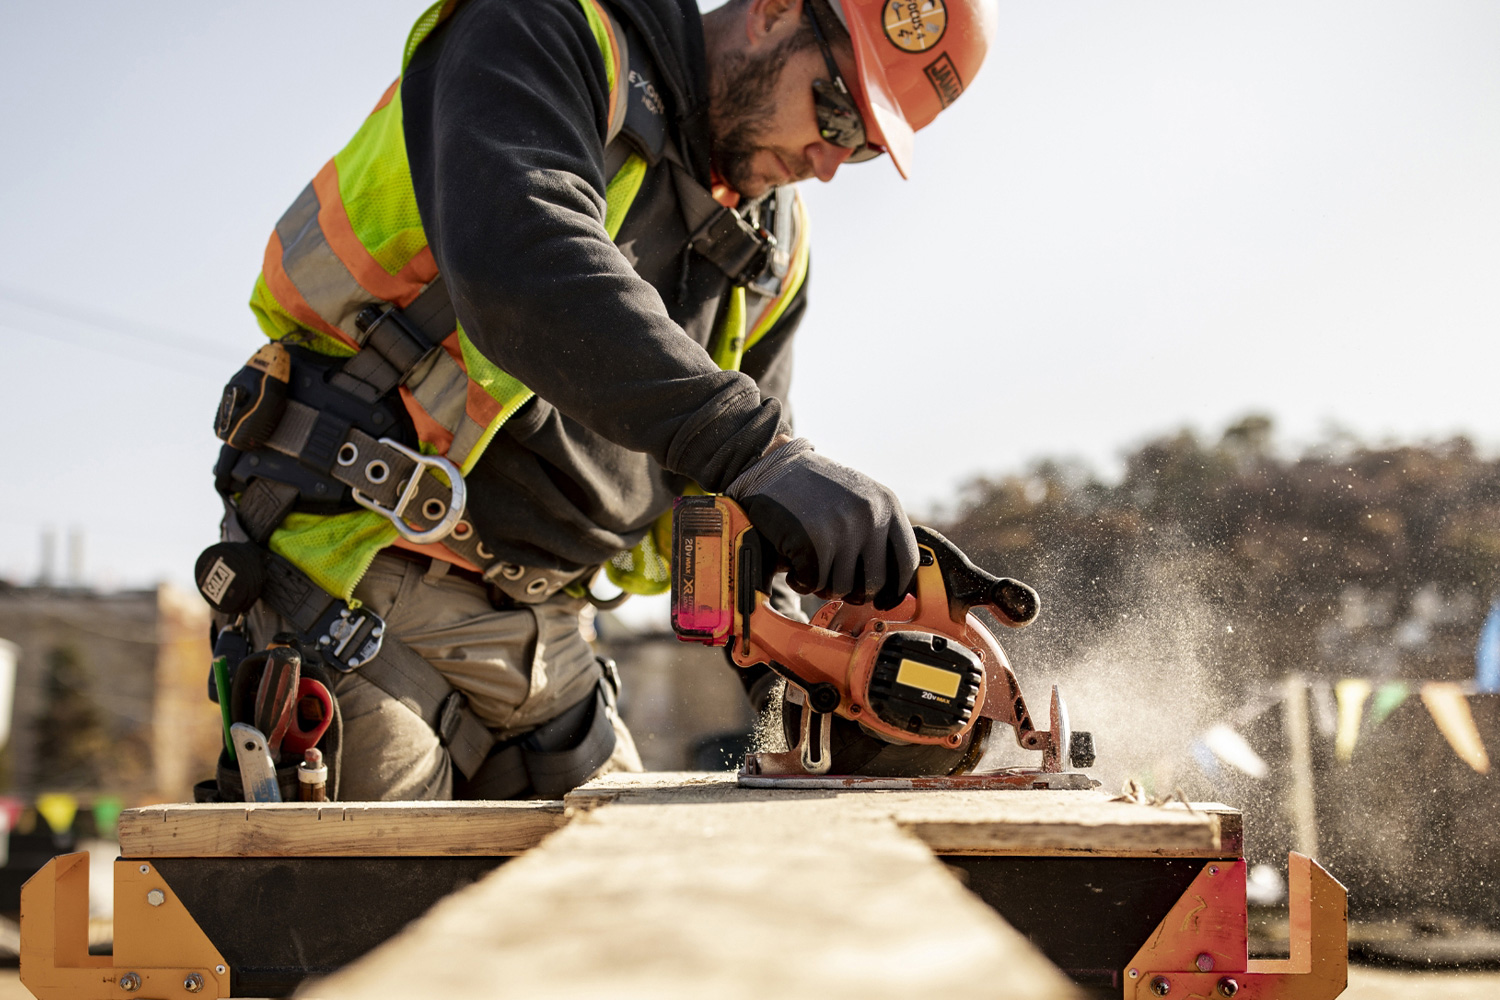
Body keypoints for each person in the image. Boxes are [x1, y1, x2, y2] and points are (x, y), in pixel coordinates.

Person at [201, 0, 996, 800]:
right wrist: (762, 454)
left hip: (556, 639)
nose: (830, 160)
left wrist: (793, 683)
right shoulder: (549, 28)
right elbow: (520, 260)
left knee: (621, 909)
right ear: (774, 12)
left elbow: (739, 505)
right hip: (359, 578)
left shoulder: (774, 247)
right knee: (389, 908)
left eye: (862, 150)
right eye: (837, 111)